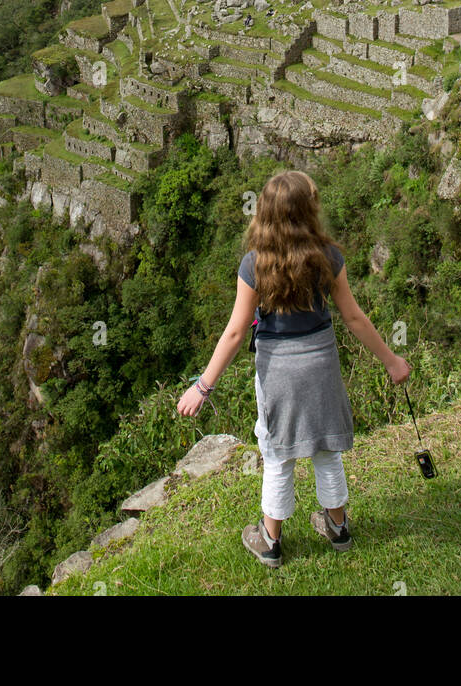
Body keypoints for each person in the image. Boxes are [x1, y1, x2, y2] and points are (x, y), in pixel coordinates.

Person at [176, 170, 411, 568]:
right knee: (326, 448)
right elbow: (353, 318)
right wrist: (392, 361)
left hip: (278, 371)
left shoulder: (254, 265)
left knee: (277, 454)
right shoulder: (328, 258)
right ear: (308, 212)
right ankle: (337, 530)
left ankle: (270, 541)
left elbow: (235, 332)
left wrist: (202, 386)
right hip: (320, 363)